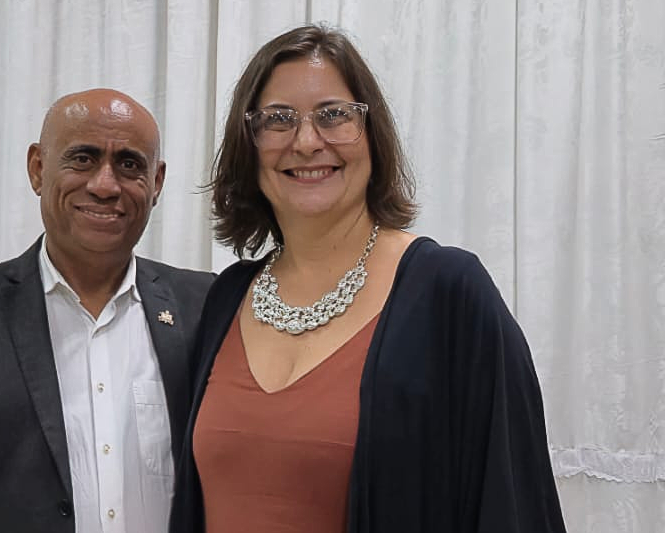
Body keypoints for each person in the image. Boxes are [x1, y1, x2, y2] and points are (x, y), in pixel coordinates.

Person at [169, 25, 566, 533]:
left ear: (372, 135)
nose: (306, 142)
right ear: (249, 146)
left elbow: (515, 503)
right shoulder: (227, 297)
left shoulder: (449, 293)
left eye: (333, 115)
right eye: (278, 119)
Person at [0, 88, 214, 533]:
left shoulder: (204, 307)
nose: (105, 185)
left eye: (130, 164)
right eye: (83, 159)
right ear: (37, 168)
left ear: (157, 183)